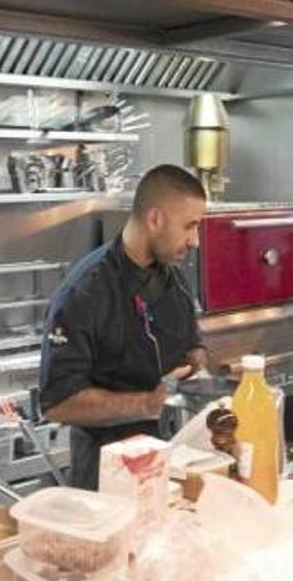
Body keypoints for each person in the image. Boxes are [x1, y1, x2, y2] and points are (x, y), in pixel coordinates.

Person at [39, 164, 208, 489]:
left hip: (172, 463)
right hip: (108, 478)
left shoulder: (173, 277)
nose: (195, 241)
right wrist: (145, 404)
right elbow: (57, 402)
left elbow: (191, 340)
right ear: (155, 219)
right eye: (190, 226)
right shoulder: (84, 292)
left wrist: (196, 359)